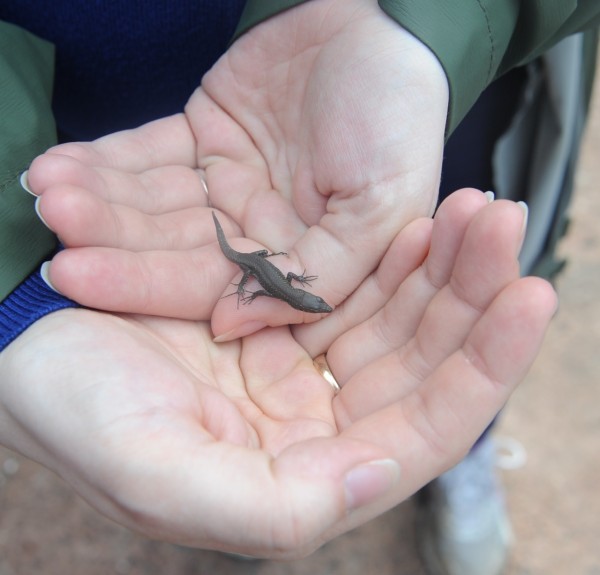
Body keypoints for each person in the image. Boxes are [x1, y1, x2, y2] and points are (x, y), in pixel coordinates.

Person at [0, 1, 597, 572]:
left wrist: (410, 29)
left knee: (448, 305)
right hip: (117, 105)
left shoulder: (291, 292)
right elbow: (268, 279)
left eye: (313, 303)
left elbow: (280, 280)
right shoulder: (283, 291)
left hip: (384, 86)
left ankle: (470, 449)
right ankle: (229, 524)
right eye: (314, 303)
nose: (315, 304)